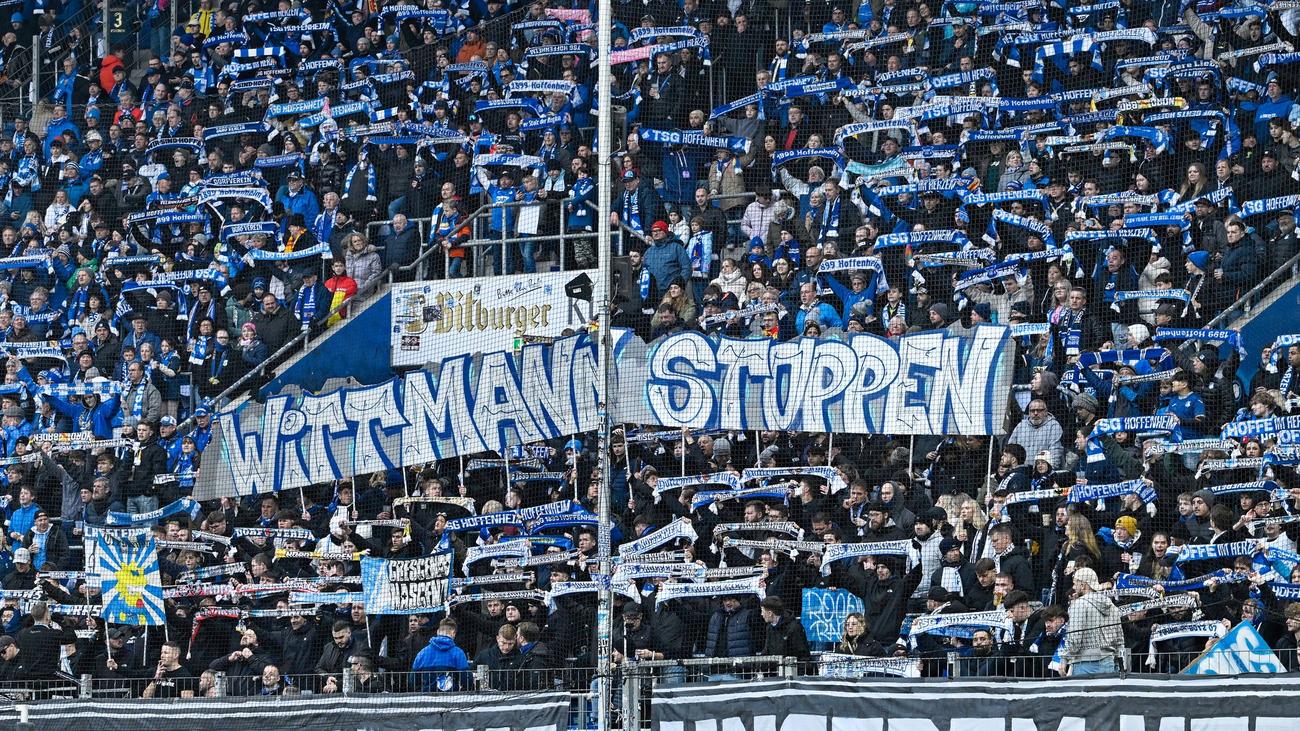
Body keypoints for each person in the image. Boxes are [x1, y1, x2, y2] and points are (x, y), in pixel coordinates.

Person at [1061, 567, 1122, 676]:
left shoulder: (1079, 604)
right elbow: (1119, 638)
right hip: (1109, 663)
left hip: (1085, 663)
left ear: (1083, 585)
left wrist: (1064, 659)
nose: (1073, 587)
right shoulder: (1112, 605)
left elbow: (1074, 638)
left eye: (1075, 583)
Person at [411, 618, 470, 691]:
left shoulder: (422, 653)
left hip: (426, 696)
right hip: (451, 696)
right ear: (453, 633)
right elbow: (467, 680)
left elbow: (412, 681)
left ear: (438, 632)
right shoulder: (458, 653)